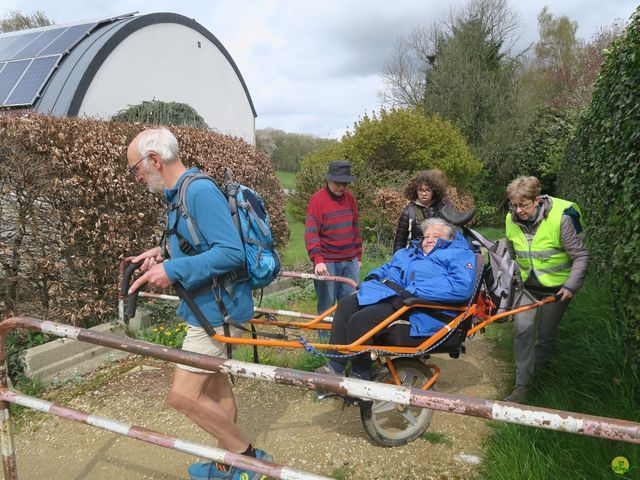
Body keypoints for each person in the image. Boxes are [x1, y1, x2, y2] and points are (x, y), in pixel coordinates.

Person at [126, 127, 271, 480]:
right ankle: (229, 464)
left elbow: (231, 252)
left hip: (217, 312)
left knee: (183, 396)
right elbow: (200, 243)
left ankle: (249, 462)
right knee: (215, 387)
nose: (137, 178)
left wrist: (172, 269)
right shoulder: (180, 193)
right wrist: (162, 254)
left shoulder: (199, 191)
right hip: (207, 308)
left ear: (155, 160)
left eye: (136, 169)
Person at [320, 218, 476, 380]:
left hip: (420, 307)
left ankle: (360, 374)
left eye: (436, 236)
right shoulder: (410, 253)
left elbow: (460, 286)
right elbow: (388, 267)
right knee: (346, 304)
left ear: (449, 239)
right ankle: (335, 366)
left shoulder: (459, 255)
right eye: (426, 236)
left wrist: (413, 292)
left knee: (361, 320)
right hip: (395, 297)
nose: (429, 240)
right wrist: (374, 275)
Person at [504, 176, 590, 403]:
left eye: (523, 205)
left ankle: (538, 377)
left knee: (544, 338)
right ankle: (522, 387)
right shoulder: (510, 219)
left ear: (537, 200)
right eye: (514, 205)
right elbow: (511, 253)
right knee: (522, 331)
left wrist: (570, 286)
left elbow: (581, 256)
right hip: (527, 288)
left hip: (557, 290)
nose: (518, 210)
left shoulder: (560, 220)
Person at [304, 160, 362, 339]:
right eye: (338, 183)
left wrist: (358, 256)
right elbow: (311, 233)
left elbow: (355, 228)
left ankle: (346, 344)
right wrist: (318, 260)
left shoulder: (350, 199)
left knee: (351, 305)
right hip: (328, 262)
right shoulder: (317, 200)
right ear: (329, 180)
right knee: (326, 307)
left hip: (350, 260)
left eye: (345, 183)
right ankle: (325, 349)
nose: (341, 187)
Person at [393, 169, 452, 253]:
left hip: (439, 253)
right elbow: (399, 241)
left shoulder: (442, 207)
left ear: (433, 191)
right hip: (415, 255)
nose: (424, 194)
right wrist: (397, 261)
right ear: (415, 191)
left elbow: (450, 235)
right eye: (421, 190)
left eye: (428, 190)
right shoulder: (409, 211)